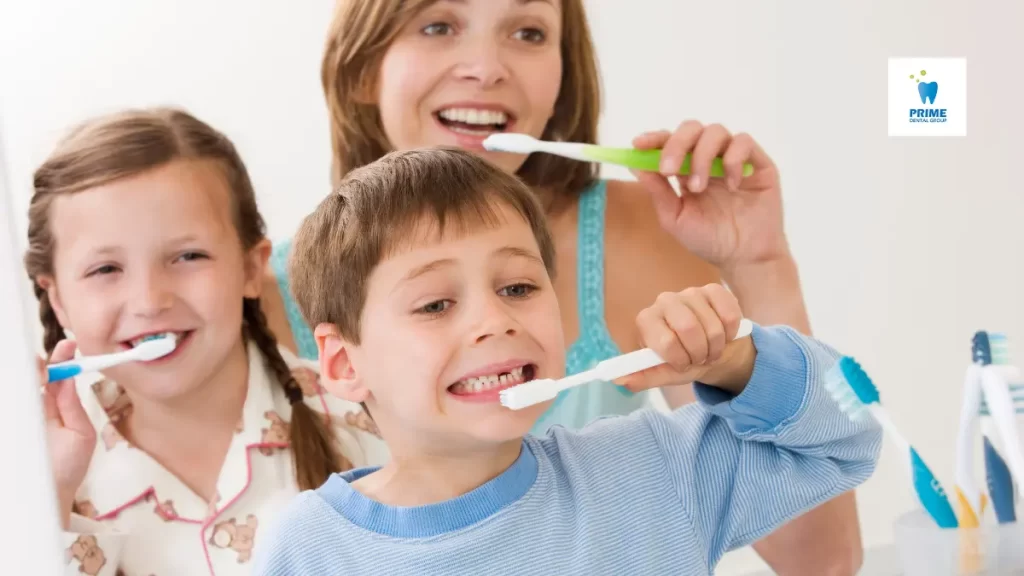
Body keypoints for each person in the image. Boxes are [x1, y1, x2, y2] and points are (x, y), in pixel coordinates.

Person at [259, 1, 862, 572]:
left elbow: (826, 536)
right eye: (438, 24)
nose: (486, 69)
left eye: (528, 32)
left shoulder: (653, 468)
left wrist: (754, 292)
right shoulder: (307, 543)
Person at [25, 107, 387, 576]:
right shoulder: (38, 477)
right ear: (57, 299)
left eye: (188, 256)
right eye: (106, 270)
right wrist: (46, 498)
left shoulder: (374, 423)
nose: (150, 300)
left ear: (252, 268)